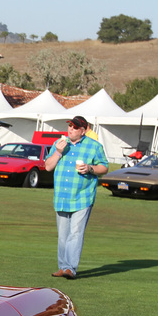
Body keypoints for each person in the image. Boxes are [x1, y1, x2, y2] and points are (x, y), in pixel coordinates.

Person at [44, 115, 108, 280]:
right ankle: (63, 267)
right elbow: (48, 167)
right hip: (62, 197)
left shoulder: (94, 146)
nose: (71, 129)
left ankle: (70, 268)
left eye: (75, 127)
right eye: (70, 126)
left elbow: (104, 167)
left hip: (82, 197)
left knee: (76, 233)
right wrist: (58, 152)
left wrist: (90, 168)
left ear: (83, 130)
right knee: (63, 235)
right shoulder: (59, 145)